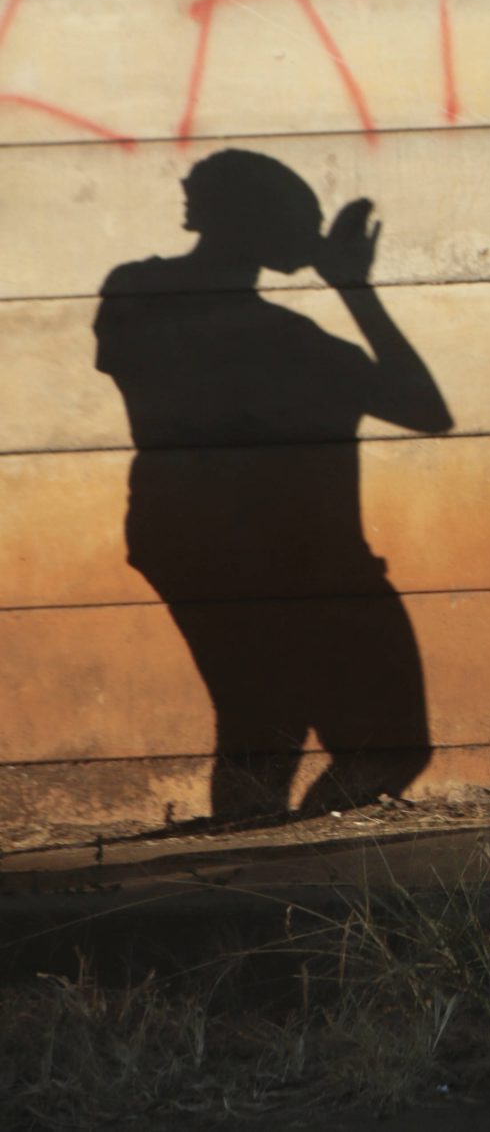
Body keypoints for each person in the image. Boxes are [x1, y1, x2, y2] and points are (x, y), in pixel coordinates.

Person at [93, 150, 452, 820]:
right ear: (250, 221)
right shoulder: (270, 333)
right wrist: (349, 285)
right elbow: (424, 408)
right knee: (299, 729)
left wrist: (343, 283)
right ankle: (277, 858)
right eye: (302, 217)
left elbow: (428, 413)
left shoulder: (149, 296)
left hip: (238, 544)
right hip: (274, 551)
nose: (314, 231)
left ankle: (268, 854)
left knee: (273, 725)